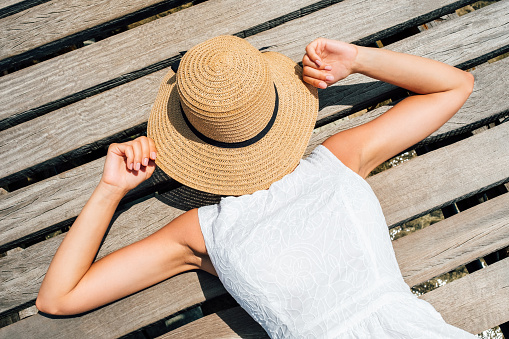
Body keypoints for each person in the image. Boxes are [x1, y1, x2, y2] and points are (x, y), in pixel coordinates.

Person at [36, 35, 475, 338]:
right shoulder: (338, 160)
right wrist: (357, 60)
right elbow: (58, 299)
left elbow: (60, 297)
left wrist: (111, 190)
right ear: (279, 103)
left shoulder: (206, 230)